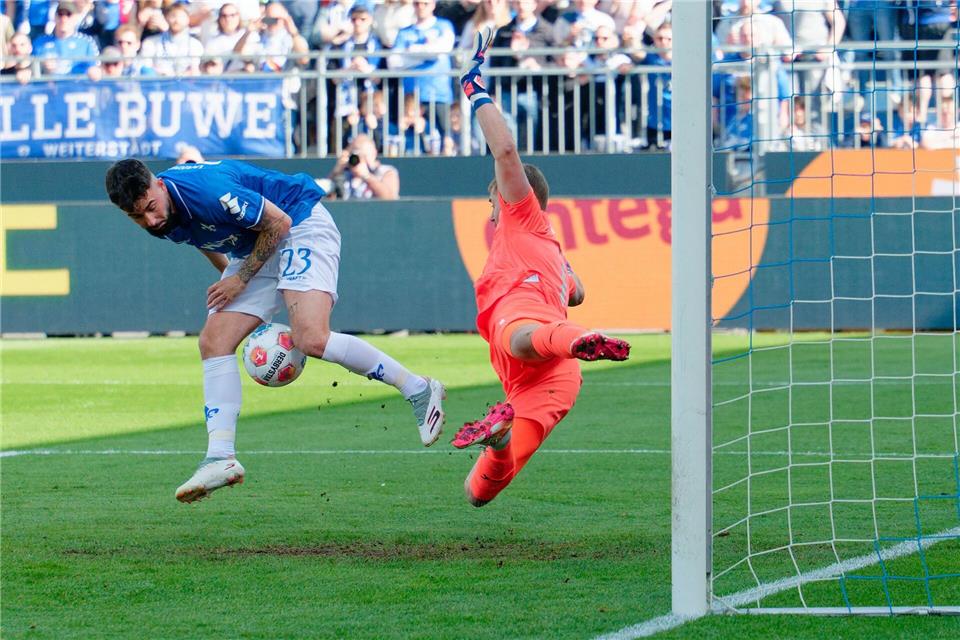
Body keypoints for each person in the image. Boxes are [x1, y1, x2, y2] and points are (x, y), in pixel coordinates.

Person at [104, 159, 446, 503]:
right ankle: (220, 457)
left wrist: (240, 279)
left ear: (159, 185)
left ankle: (418, 389)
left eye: (150, 207)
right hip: (254, 246)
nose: (150, 220)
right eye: (137, 217)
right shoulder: (162, 217)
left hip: (298, 222)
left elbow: (278, 223)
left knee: (311, 338)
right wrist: (235, 283)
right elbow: (201, 235)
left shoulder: (208, 190)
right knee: (214, 340)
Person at [451, 27, 631, 507]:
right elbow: (577, 293)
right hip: (554, 380)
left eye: (494, 195)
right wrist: (565, 281)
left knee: (520, 335)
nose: (491, 203)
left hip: (528, 325)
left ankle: (579, 340)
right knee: (478, 492)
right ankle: (501, 433)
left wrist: (473, 87)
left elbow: (505, 153)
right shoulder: (550, 246)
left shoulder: (521, 215)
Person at [326, 134, 400, 200]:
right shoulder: (344, 175)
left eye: (364, 155)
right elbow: (324, 196)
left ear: (374, 153)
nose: (360, 159)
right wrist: (335, 172)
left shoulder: (386, 172)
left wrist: (367, 176)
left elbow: (390, 199)